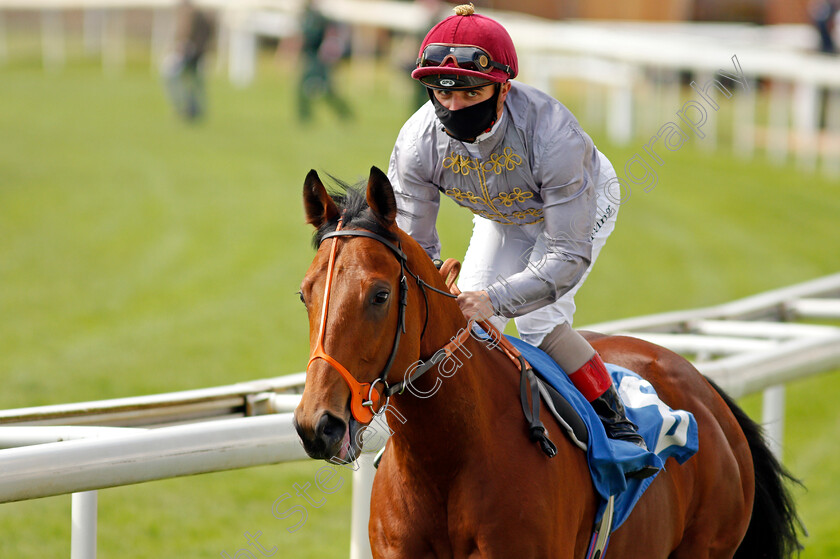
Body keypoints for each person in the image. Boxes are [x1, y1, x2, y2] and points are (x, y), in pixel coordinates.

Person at [387, 4, 652, 458]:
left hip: (576, 208)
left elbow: (567, 256)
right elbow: (412, 244)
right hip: (501, 215)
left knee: (537, 320)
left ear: (503, 88)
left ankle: (616, 423)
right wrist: (434, 279)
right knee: (468, 331)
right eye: (442, 93)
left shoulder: (554, 136)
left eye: (471, 94)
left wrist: (495, 298)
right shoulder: (417, 143)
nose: (453, 107)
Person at [295, 0, 352, 123]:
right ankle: (304, 117)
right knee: (302, 88)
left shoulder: (318, 18)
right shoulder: (307, 17)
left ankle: (345, 113)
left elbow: (317, 37)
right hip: (311, 58)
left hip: (319, 59)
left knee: (327, 90)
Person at [162, 0, 213, 121]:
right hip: (192, 55)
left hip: (193, 55)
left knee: (187, 82)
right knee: (193, 83)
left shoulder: (198, 17)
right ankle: (191, 110)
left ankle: (189, 109)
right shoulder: (195, 16)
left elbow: (198, 38)